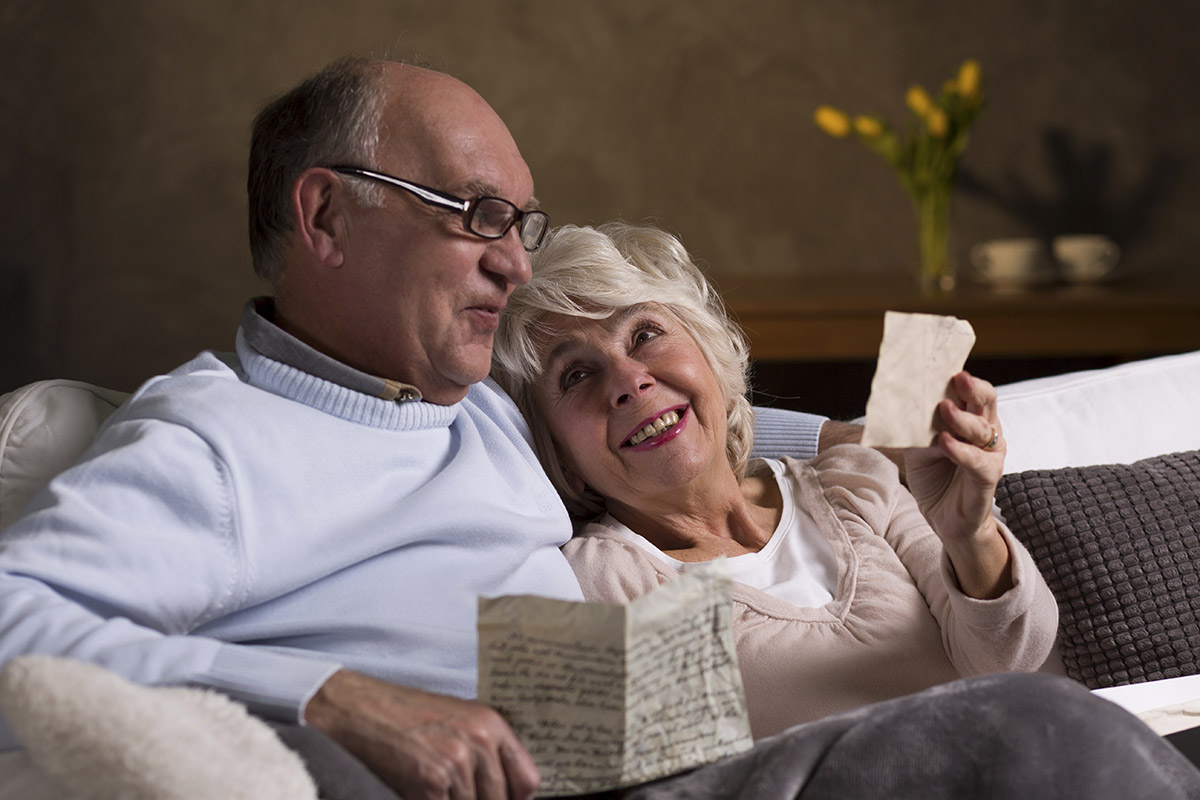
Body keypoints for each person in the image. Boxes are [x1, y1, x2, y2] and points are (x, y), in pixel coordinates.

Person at [0, 56, 1197, 800]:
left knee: (1063, 726)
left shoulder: (472, 406)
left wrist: (888, 434)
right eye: (476, 213)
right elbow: (15, 614)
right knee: (1037, 731)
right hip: (537, 766)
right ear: (326, 214)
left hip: (658, 741)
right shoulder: (215, 440)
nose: (512, 258)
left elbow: (689, 425)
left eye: (522, 218)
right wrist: (330, 694)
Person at [488, 221, 1059, 736]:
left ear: (709, 355)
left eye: (643, 335)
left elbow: (1015, 657)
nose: (630, 381)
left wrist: (971, 533)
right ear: (556, 456)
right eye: (577, 374)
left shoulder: (855, 483)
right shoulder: (597, 585)